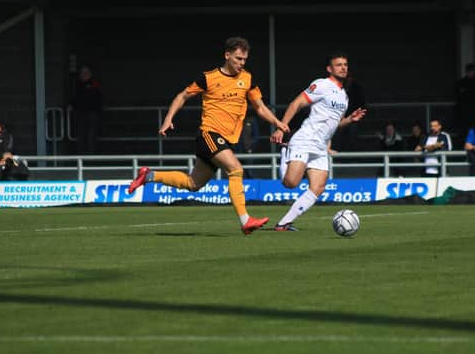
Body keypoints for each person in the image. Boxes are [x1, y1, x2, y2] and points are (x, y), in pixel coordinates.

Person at [128, 37, 289, 235]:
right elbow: (182, 96)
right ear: (227, 55)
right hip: (209, 134)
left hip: (225, 140)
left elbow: (260, 107)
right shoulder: (209, 78)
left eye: (245, 59)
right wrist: (168, 119)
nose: (242, 63)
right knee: (235, 170)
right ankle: (246, 220)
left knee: (193, 184)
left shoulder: (247, 79)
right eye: (238, 58)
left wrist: (277, 123)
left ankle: (148, 176)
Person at [270, 52, 366, 231]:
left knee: (319, 186)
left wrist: (349, 120)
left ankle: (284, 223)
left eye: (345, 64)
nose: (343, 67)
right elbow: (296, 104)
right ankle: (285, 151)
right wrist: (281, 127)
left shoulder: (343, 97)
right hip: (305, 140)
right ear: (330, 69)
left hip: (320, 147)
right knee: (291, 184)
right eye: (339, 65)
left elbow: (334, 125)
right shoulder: (321, 84)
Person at [72, 65, 103, 154]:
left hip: (92, 114)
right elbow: (75, 98)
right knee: (80, 136)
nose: (84, 75)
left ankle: (91, 157)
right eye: (82, 73)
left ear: (90, 74)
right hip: (80, 114)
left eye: (86, 73)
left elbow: (98, 99)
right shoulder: (77, 85)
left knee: (91, 136)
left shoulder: (95, 84)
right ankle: (81, 157)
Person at [332, 75, 365, 152]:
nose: (348, 79)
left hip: (352, 118)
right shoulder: (338, 87)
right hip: (339, 118)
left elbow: (361, 103)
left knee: (352, 139)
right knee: (337, 139)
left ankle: (352, 158)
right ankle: (338, 158)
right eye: (346, 77)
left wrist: (356, 115)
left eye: (349, 77)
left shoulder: (356, 89)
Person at [454, 63, 475, 138]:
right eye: (469, 71)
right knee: (464, 129)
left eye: (472, 71)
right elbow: (458, 94)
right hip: (464, 110)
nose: (470, 73)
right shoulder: (462, 82)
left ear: (474, 71)